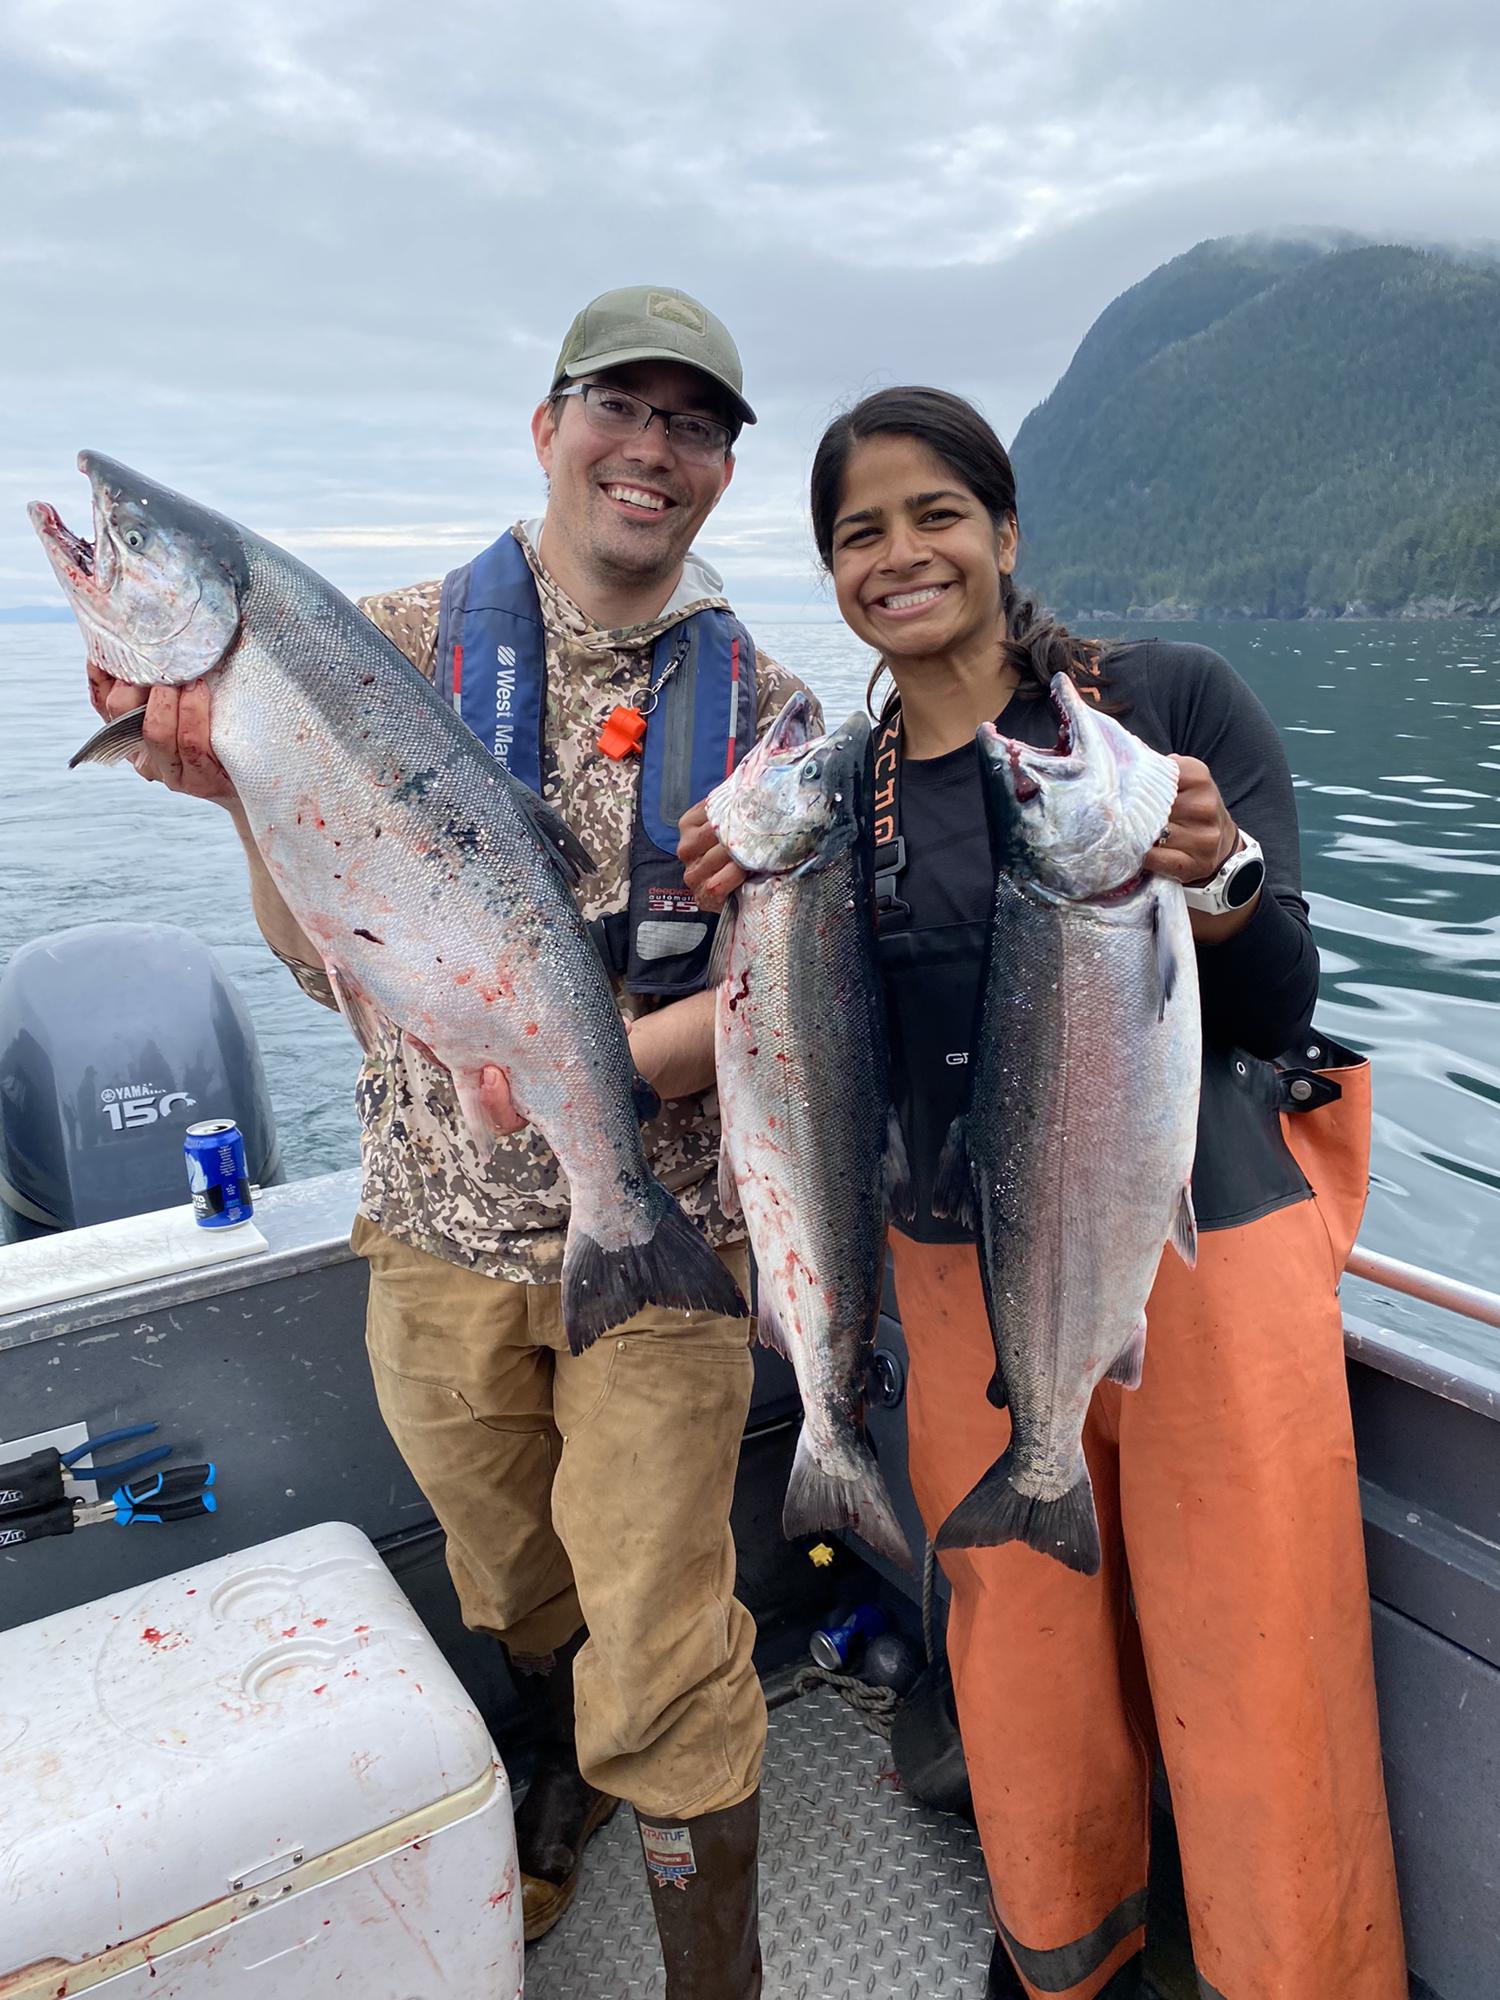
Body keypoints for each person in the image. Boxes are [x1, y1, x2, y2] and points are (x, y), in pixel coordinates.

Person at [85, 285, 820, 2000]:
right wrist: (241, 799)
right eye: (619, 410)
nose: (652, 450)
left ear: (719, 474)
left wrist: (601, 1070)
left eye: (693, 425)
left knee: (666, 1636)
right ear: (547, 425)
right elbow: (307, 936)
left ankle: (720, 1972)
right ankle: (550, 1772)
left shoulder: (774, 712)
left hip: (663, 1233)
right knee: (507, 1571)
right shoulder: (384, 640)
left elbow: (778, 1003)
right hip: (425, 1227)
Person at [682, 386, 1406, 2000]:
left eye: (936, 513)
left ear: (1005, 536)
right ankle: (1068, 1947)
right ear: (834, 576)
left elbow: (1286, 1004)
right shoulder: (836, 798)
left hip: (1208, 1246)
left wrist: (1219, 884)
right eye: (859, 532)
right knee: (1018, 1660)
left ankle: (1293, 1968)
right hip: (961, 1282)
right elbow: (804, 1060)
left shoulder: (1166, 704)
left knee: (1256, 1645)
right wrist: (735, 909)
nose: (901, 553)